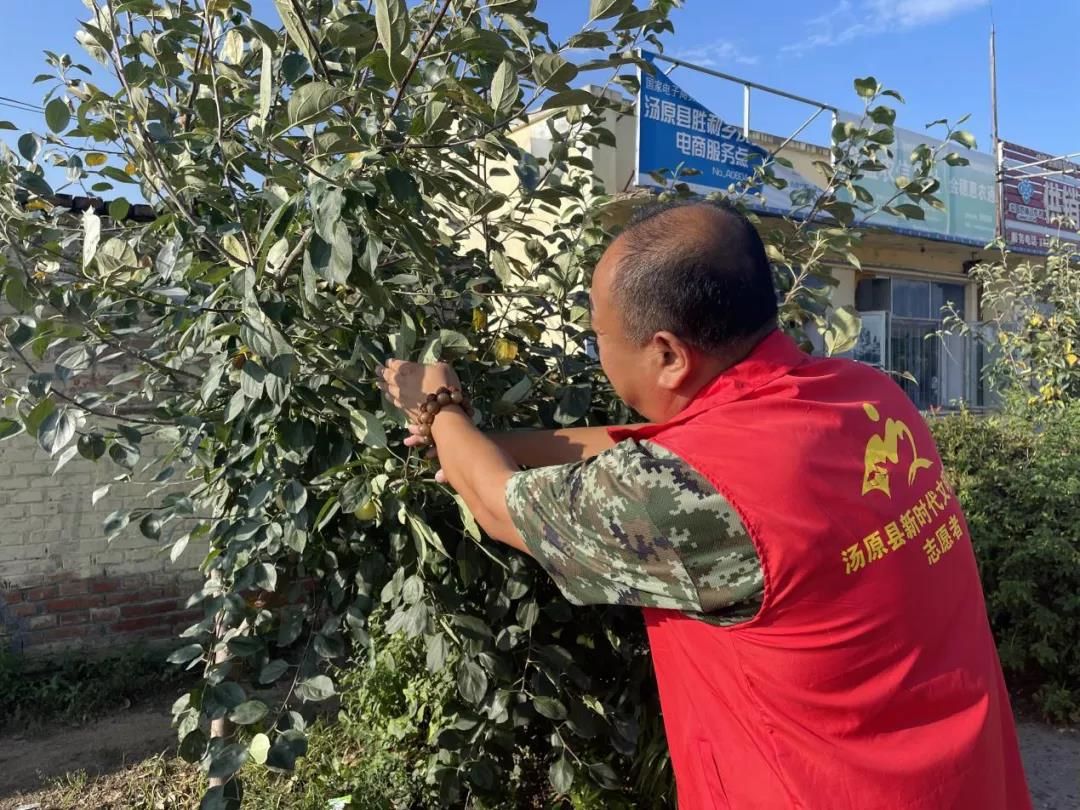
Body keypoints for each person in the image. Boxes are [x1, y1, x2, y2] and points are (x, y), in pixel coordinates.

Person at [376, 201, 1032, 809]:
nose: (597, 349)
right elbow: (658, 446)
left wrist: (437, 407)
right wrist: (476, 444)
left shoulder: (694, 494)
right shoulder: (866, 395)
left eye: (599, 334)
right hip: (963, 781)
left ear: (666, 354)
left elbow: (500, 506)